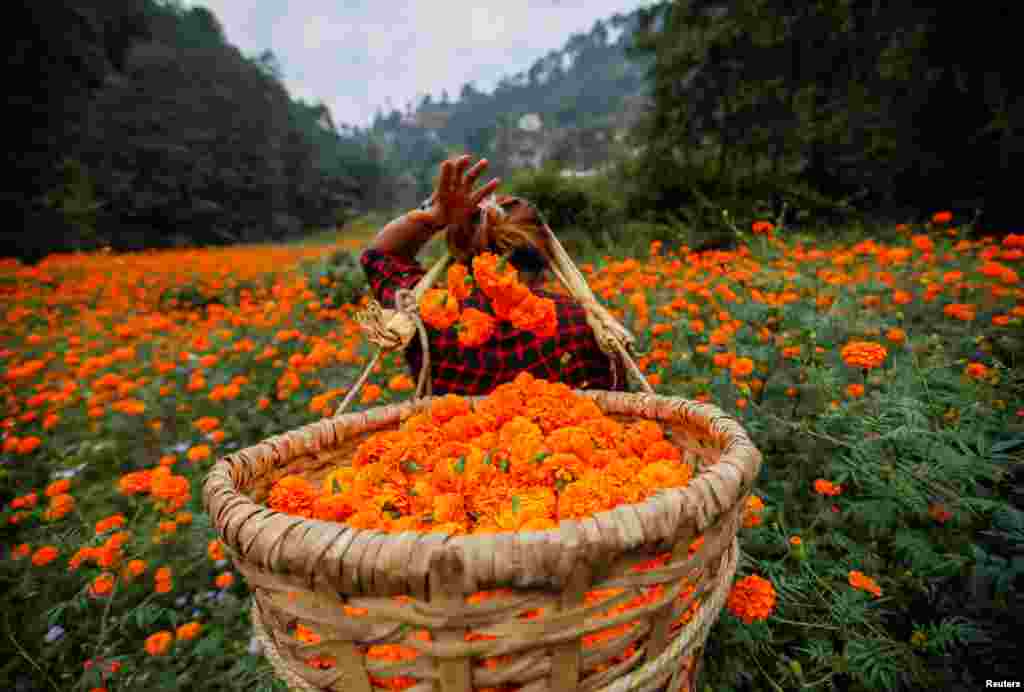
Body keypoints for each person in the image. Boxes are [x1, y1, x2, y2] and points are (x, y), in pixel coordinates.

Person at [359, 154, 628, 396]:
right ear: (546, 254)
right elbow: (621, 415)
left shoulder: (431, 319)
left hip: (445, 450)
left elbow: (379, 257)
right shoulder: (587, 327)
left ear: (458, 250)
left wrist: (433, 217)